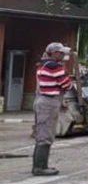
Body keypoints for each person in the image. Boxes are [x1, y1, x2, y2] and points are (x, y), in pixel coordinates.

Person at [32, 42, 73, 176]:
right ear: (54, 53)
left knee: (42, 134)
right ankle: (40, 167)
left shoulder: (42, 65)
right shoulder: (55, 67)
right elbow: (67, 85)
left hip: (42, 101)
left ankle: (40, 165)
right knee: (46, 135)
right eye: (61, 53)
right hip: (49, 103)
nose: (63, 55)